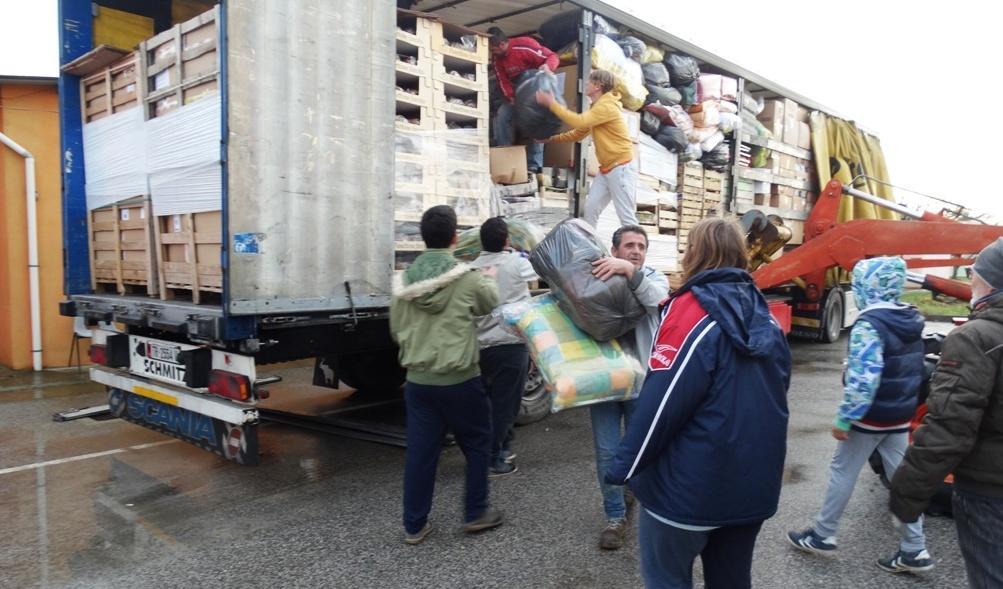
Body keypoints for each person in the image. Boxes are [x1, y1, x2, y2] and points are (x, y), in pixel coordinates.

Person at [606, 218, 791, 589]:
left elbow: (664, 401)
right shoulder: (764, 316)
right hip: (749, 488)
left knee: (667, 579)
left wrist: (623, 465)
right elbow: (777, 393)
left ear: (694, 254)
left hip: (687, 490)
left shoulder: (689, 311)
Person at [787, 256, 934, 573]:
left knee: (842, 472)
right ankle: (914, 548)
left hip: (869, 418)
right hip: (899, 417)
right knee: (903, 480)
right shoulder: (911, 319)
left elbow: (864, 380)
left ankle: (823, 534)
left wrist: (844, 419)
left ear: (868, 287)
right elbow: (915, 370)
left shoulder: (870, 325)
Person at [891, 237, 1003, 588]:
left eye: (975, 275)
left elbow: (949, 425)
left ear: (991, 282)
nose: (971, 281)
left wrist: (907, 494)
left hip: (989, 491)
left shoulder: (976, 338)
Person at [389, 205, 502, 545]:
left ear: (423, 238)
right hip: (460, 380)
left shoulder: (403, 283)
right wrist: (489, 279)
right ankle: (475, 513)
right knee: (478, 443)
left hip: (419, 383)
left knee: (421, 454)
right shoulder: (467, 278)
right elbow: (489, 304)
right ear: (455, 237)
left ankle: (414, 526)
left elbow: (396, 331)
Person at [588, 225, 669, 550]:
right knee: (607, 451)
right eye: (630, 246)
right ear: (614, 249)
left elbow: (659, 303)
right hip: (603, 382)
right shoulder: (596, 277)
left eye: (641, 246)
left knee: (642, 450)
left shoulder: (653, 277)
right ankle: (615, 517)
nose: (636, 251)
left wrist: (631, 272)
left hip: (642, 384)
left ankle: (639, 491)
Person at [470, 217, 538, 477]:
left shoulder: (472, 269)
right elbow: (543, 271)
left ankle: (498, 448)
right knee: (506, 405)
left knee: (488, 403)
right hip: (510, 344)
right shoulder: (517, 263)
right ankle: (494, 457)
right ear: (507, 240)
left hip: (481, 345)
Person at [535, 69, 637, 228]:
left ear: (598, 85)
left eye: (589, 81)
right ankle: (591, 251)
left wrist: (551, 104)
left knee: (626, 218)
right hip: (606, 170)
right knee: (589, 211)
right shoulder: (598, 107)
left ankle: (635, 250)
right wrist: (550, 139)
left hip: (620, 168)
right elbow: (579, 133)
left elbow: (579, 122)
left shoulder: (607, 106)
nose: (586, 84)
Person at [488, 27, 558, 173]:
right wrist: (510, 97)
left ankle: (534, 164)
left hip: (535, 89)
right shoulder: (497, 59)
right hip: (516, 93)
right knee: (502, 115)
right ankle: (504, 156)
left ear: (501, 44)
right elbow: (503, 81)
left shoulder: (525, 45)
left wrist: (547, 66)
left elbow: (552, 56)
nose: (492, 54)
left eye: (493, 50)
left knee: (535, 121)